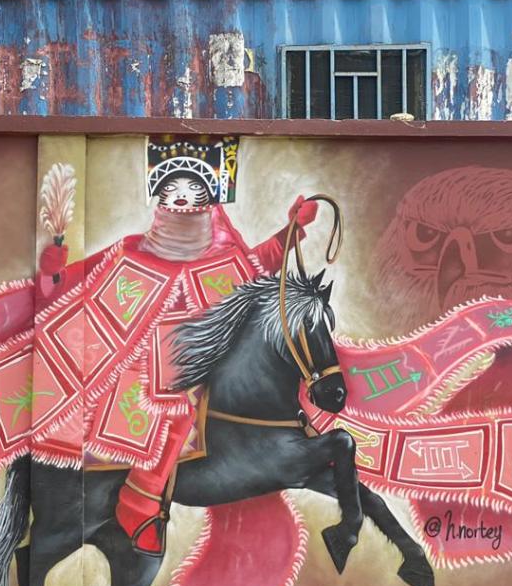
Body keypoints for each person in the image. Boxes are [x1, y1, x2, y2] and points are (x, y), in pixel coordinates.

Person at [37, 140, 324, 555]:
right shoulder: (129, 250)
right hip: (138, 363)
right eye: (174, 191)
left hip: (200, 359)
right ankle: (139, 501)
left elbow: (260, 264)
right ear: (160, 198)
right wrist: (53, 270)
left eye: (194, 192)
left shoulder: (221, 260)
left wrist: (293, 229)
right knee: (176, 405)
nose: (184, 199)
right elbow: (69, 284)